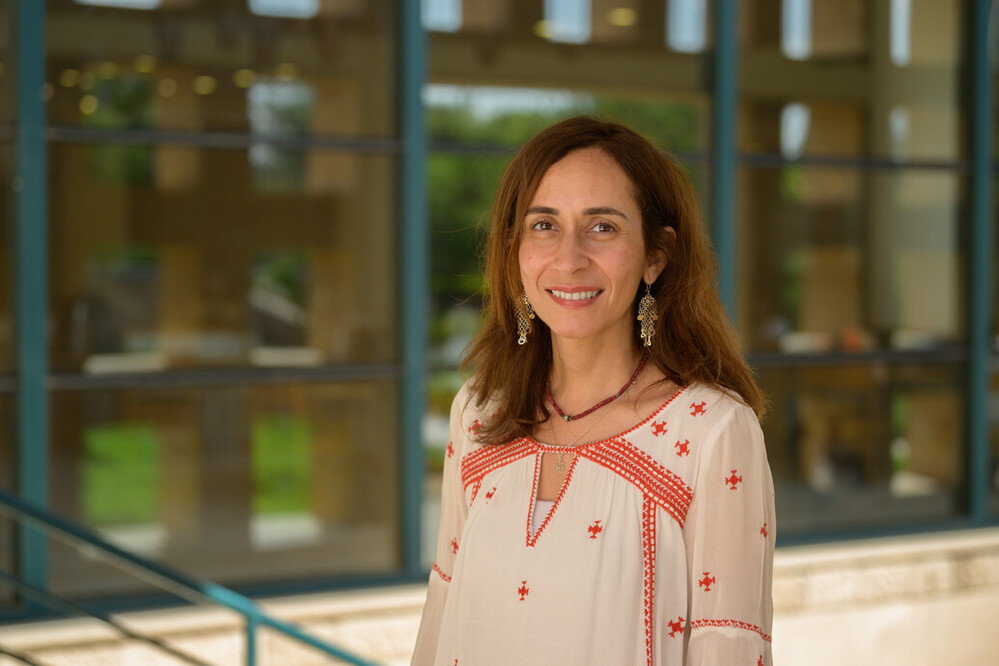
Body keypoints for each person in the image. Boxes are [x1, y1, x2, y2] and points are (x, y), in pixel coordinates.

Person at [412, 116, 775, 665]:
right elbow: (442, 622)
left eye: (602, 226)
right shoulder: (479, 414)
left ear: (657, 255)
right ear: (515, 251)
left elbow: (730, 648)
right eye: (543, 225)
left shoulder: (712, 431)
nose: (569, 258)